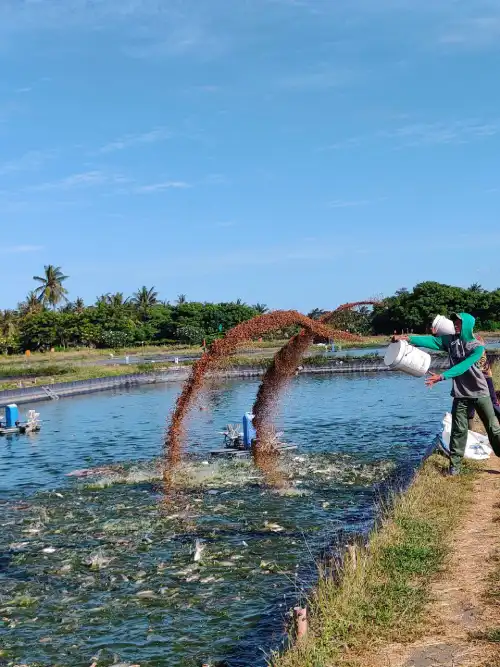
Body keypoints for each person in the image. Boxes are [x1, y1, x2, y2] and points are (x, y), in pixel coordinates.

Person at [394, 312, 500, 475]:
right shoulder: (450, 341)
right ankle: (455, 467)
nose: (455, 325)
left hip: (480, 393)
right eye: (455, 322)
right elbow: (431, 341)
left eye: (459, 323)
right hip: (460, 394)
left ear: (467, 325)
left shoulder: (477, 346)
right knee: (459, 430)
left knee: (493, 428)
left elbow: (463, 366)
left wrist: (442, 376)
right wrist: (407, 339)